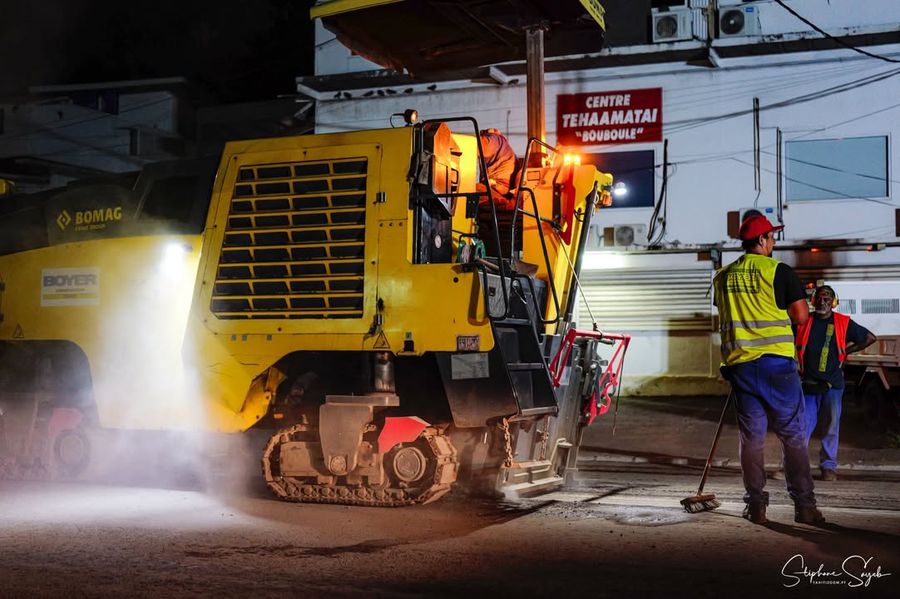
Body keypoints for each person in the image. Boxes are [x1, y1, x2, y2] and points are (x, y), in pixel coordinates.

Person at [713, 214, 824, 525]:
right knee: (793, 436)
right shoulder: (779, 271)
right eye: (772, 238)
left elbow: (727, 317)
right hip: (777, 365)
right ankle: (804, 505)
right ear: (761, 240)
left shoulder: (722, 276)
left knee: (752, 438)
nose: (774, 242)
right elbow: (801, 316)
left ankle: (756, 506)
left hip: (741, 367)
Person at [796, 285, 876, 481]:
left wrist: (846, 351)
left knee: (831, 426)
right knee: (801, 427)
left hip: (832, 384)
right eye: (819, 298)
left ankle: (828, 467)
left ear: (833, 302)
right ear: (813, 301)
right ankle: (795, 466)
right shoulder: (803, 322)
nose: (823, 302)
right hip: (808, 384)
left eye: (827, 298)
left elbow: (870, 338)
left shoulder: (843, 322)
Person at [477, 128, 518, 211]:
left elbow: (481, 145)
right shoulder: (507, 151)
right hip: (501, 190)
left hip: (498, 190)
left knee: (466, 190)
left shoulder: (497, 140)